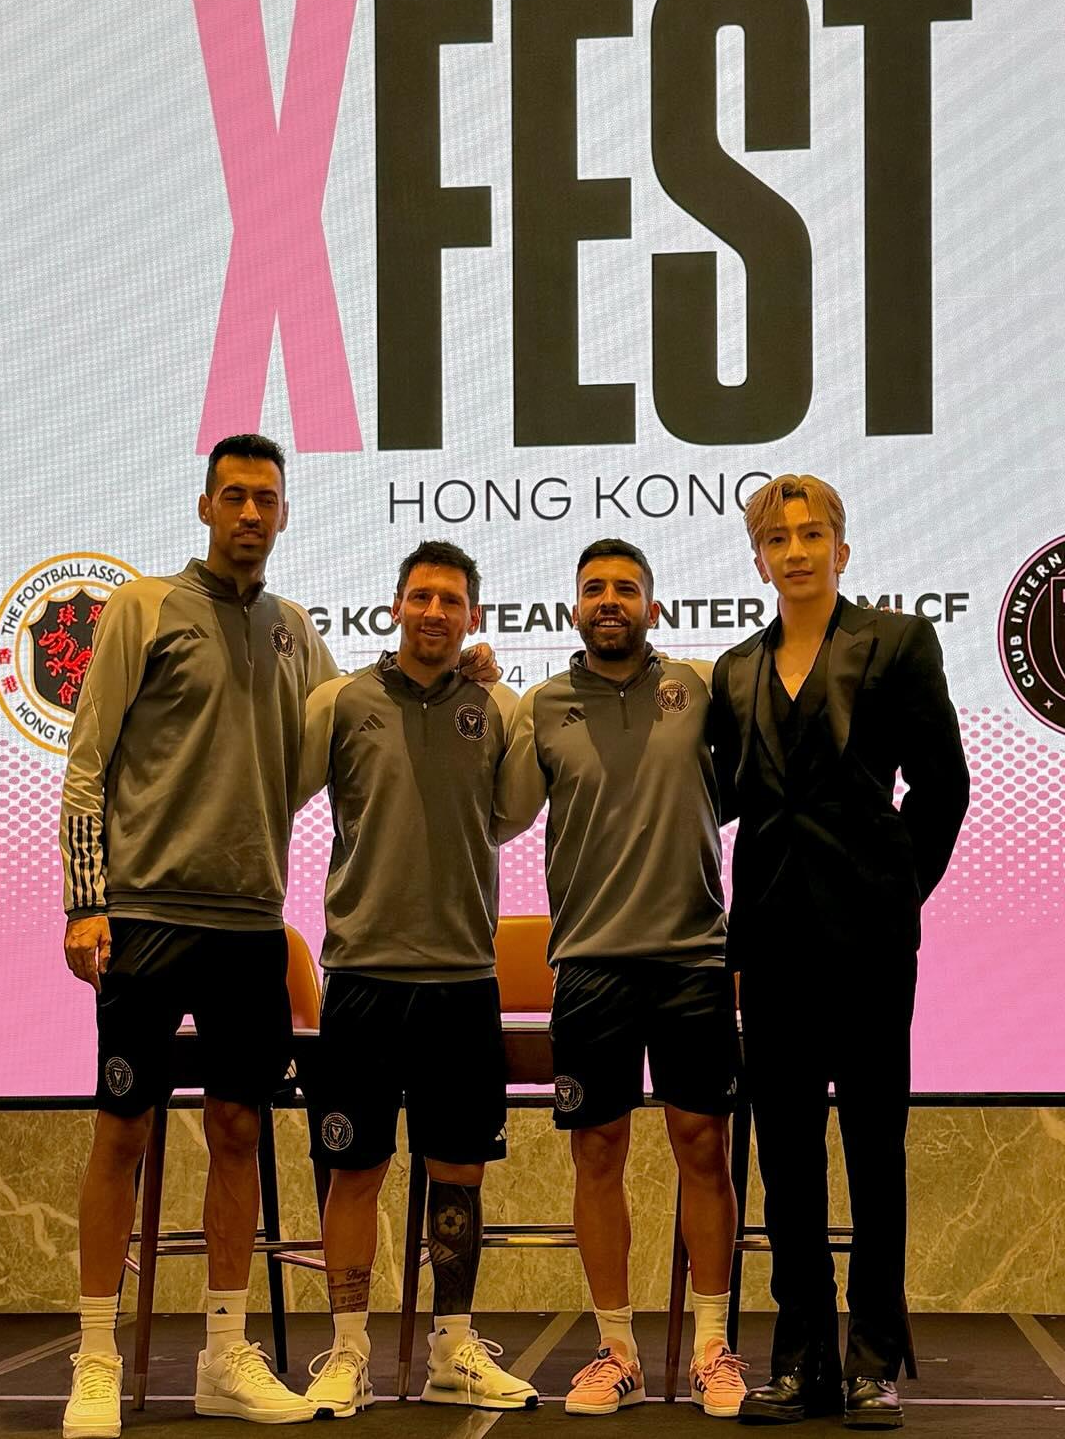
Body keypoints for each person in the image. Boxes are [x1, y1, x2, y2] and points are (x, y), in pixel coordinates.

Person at [58, 434, 336, 1436]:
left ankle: (223, 1356)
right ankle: (95, 1358)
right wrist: (84, 902)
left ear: (284, 513)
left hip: (250, 927)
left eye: (266, 498)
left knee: (238, 1132)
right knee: (122, 1130)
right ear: (206, 506)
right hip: (143, 919)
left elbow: (354, 729)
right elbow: (87, 765)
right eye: (234, 496)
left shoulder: (296, 632)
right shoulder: (143, 608)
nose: (251, 513)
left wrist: (460, 675)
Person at [707, 475, 969, 1430]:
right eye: (778, 539)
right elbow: (721, 798)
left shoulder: (897, 643)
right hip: (770, 945)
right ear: (759, 560)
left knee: (872, 1148)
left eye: (812, 534)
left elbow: (942, 788)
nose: (797, 551)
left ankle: (873, 1360)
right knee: (785, 1158)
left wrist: (897, 893)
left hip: (869, 945)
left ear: (842, 550)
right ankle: (803, 1360)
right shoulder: (734, 670)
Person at [496, 538, 748, 1420]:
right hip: (590, 963)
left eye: (627, 589)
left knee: (703, 1147)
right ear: (574, 609)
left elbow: (743, 787)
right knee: (597, 1152)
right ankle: (618, 1353)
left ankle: (712, 1350)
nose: (611, 600)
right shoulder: (543, 706)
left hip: (693, 958)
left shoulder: (699, 691)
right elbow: (500, 816)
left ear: (654, 607)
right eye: (595, 588)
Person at [295, 540, 538, 1419]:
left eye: (452, 600)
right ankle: (348, 1353)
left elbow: (508, 815)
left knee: (459, 1172)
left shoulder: (497, 708)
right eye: (421, 597)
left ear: (475, 615)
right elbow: (282, 791)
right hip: (361, 976)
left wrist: (492, 687)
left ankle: (452, 1349)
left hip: (463, 979)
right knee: (353, 1168)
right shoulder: (340, 701)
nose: (435, 612)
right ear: (395, 606)